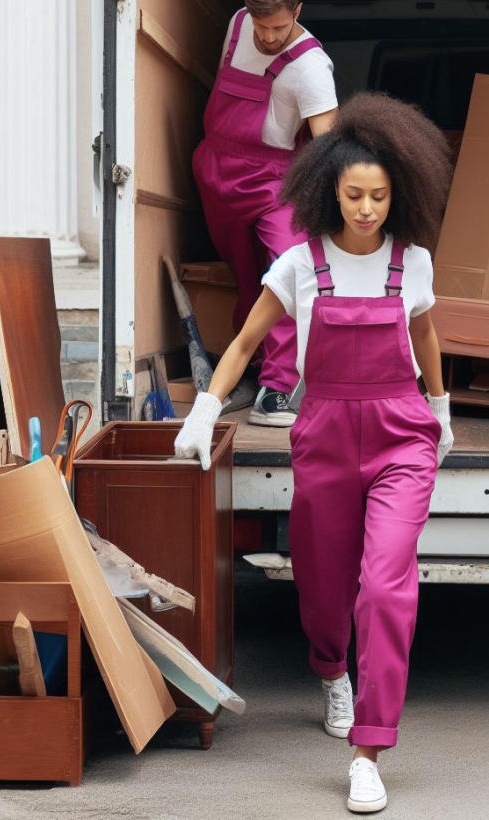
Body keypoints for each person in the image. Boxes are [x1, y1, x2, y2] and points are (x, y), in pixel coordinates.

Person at [176, 91, 454, 812]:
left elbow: (425, 334)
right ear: (329, 189)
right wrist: (206, 410)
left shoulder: (412, 262)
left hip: (401, 433)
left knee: (386, 584)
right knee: (324, 583)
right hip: (324, 432)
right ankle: (332, 669)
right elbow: (242, 343)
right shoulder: (299, 264)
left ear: (400, 195)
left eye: (380, 196)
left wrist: (441, 407)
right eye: (355, 194)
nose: (367, 209)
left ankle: (370, 749)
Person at [192, 0, 338, 427]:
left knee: (285, 271)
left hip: (273, 180)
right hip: (215, 166)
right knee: (246, 273)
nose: (270, 37)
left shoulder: (312, 68)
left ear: (298, 10)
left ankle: (278, 387)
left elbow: (327, 144)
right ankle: (248, 369)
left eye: (279, 26)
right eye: (262, 27)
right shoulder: (238, 23)